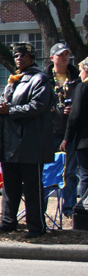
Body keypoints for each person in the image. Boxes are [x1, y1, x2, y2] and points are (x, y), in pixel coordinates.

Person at [0, 42, 55, 239]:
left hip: (30, 143)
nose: (18, 58)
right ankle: (8, 222)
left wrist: (10, 110)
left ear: (32, 58)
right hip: (9, 142)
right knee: (10, 187)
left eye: (23, 55)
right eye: (16, 55)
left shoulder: (40, 79)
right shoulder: (13, 79)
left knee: (32, 188)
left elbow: (38, 106)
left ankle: (36, 226)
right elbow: (2, 103)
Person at [47, 43, 80, 217]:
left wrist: (75, 108)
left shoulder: (76, 78)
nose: (65, 57)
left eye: (67, 54)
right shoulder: (44, 78)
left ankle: (69, 209)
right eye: (60, 54)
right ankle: (41, 208)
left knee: (70, 172)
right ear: (52, 58)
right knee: (47, 169)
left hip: (70, 131)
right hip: (49, 131)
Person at [64, 58, 88, 208]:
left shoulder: (83, 87)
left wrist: (67, 138)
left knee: (85, 175)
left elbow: (76, 115)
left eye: (81, 70)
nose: (80, 74)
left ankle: (85, 209)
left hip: (85, 140)